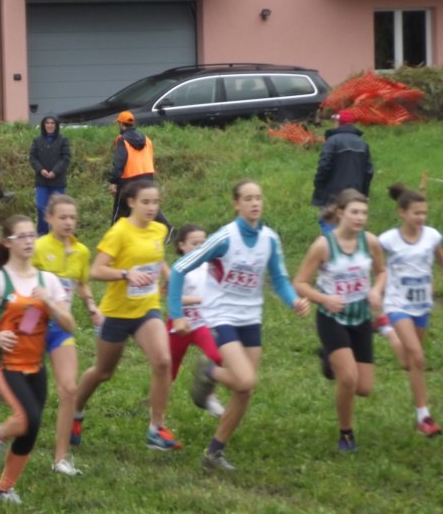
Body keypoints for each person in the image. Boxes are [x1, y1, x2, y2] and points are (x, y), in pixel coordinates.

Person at [170, 180, 310, 470]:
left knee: (244, 390)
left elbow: (280, 279)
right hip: (220, 315)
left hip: (251, 318)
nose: (254, 203)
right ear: (236, 203)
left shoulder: (270, 239)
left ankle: (214, 452)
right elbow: (179, 268)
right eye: (248, 198)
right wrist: (176, 313)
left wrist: (294, 301)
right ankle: (208, 371)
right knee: (246, 380)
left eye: (258, 198)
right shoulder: (224, 238)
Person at [0, 215, 73, 505]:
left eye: (32, 235)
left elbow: (69, 324)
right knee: (27, 418)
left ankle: (3, 490)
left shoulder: (48, 281)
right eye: (21, 236)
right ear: (8, 242)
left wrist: (49, 302)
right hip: (5, 364)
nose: (28, 241)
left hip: (35, 364)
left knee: (31, 428)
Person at [72, 179, 182, 451]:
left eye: (155, 202)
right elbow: (96, 270)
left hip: (147, 308)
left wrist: (168, 276)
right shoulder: (119, 232)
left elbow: (156, 257)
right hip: (117, 313)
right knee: (103, 372)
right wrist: (126, 274)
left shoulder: (158, 229)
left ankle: (156, 428)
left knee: (163, 361)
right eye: (146, 202)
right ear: (131, 202)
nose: (151, 208)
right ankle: (75, 410)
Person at [294, 189, 386, 452]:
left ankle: (329, 358)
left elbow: (381, 272)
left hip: (361, 318)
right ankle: (346, 434)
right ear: (340, 213)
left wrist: (376, 290)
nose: (360, 218)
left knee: (364, 388)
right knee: (348, 379)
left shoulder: (371, 242)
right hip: (332, 318)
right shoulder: (323, 245)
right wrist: (324, 299)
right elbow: (300, 283)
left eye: (364, 213)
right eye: (354, 212)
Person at [378, 183, 443, 437]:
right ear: (402, 212)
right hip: (397, 304)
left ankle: (385, 330)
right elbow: (374, 264)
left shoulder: (432, 236)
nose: (421, 218)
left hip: (422, 305)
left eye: (424, 213)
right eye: (416, 213)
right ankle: (423, 417)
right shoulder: (388, 240)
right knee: (418, 357)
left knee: (409, 362)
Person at [32, 194, 103, 476]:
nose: (68, 222)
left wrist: (91, 305)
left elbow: (81, 284)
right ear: (48, 218)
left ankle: (60, 458)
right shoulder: (38, 247)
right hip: (32, 324)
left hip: (61, 326)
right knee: (22, 388)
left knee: (70, 390)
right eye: (62, 217)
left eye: (73, 217)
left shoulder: (81, 251)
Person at [166, 224, 225, 418]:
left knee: (216, 356)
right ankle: (157, 409)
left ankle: (207, 395)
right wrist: (199, 299)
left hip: (202, 323)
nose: (200, 247)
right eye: (194, 243)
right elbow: (172, 298)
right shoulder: (180, 269)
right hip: (179, 324)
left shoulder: (211, 267)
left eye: (203, 243)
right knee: (169, 369)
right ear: (181, 245)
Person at [108, 110, 172, 233]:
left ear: (121, 124)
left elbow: (119, 161)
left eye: (118, 123)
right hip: (147, 176)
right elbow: (150, 157)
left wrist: (114, 181)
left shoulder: (122, 139)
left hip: (129, 179)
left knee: (120, 209)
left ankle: (113, 235)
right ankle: (168, 230)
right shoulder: (146, 139)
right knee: (148, 204)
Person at [311, 109, 374, 234]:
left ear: (338, 123)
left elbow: (324, 165)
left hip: (331, 194)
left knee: (329, 221)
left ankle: (332, 243)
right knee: (351, 223)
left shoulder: (332, 141)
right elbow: (368, 171)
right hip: (354, 193)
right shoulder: (362, 144)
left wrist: (318, 184)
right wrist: (364, 193)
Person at [29, 115, 71, 236]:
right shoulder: (37, 140)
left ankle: (58, 234)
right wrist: (41, 170)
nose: (50, 125)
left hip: (58, 181)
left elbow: (66, 158)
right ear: (44, 125)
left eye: (52, 123)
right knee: (41, 207)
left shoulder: (63, 140)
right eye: (47, 123)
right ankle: (42, 234)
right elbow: (33, 158)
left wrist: (55, 171)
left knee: (58, 209)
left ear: (56, 125)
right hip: (42, 181)